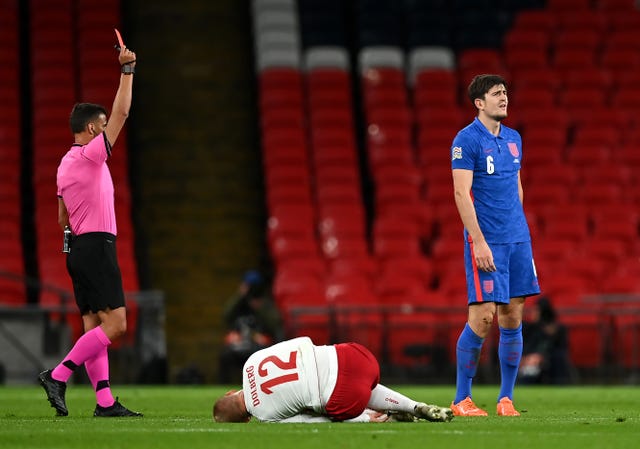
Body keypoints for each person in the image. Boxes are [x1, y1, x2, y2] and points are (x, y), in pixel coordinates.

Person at [38, 43, 141, 417]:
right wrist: (127, 70)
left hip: (78, 248)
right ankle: (58, 375)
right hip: (96, 246)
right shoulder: (91, 154)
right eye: (100, 126)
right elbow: (123, 111)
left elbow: (61, 218)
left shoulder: (64, 165)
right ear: (92, 128)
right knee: (116, 326)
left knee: (94, 327)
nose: (104, 129)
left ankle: (104, 402)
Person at [449, 74, 540, 417]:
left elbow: (518, 187)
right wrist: (479, 241)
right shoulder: (466, 140)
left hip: (518, 240)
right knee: (483, 317)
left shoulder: (514, 139)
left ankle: (506, 399)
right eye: (496, 93)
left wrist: (519, 229)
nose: (504, 97)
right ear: (479, 102)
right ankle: (461, 399)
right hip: (487, 241)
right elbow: (461, 194)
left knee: (513, 316)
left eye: (505, 92)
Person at [213, 336, 454, 423]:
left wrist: (360, 420)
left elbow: (310, 422)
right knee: (351, 380)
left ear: (244, 421)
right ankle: (413, 406)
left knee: (323, 405)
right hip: (355, 355)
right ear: (229, 392)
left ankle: (379, 418)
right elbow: (301, 341)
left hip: (347, 398)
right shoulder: (251, 362)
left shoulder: (264, 415)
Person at [218, 270, 283, 383]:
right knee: (225, 355)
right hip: (240, 345)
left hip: (260, 347)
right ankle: (224, 387)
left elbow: (275, 324)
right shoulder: (239, 305)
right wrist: (240, 295)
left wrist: (259, 306)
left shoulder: (266, 305)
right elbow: (226, 316)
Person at [519, 296, 571, 384]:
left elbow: (557, 347)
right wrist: (526, 357)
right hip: (530, 360)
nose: (533, 313)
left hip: (549, 361)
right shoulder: (530, 328)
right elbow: (527, 345)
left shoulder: (556, 329)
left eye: (536, 310)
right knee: (527, 370)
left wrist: (541, 356)